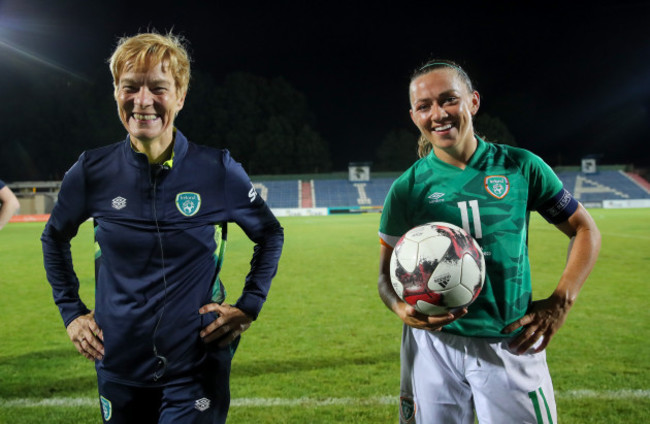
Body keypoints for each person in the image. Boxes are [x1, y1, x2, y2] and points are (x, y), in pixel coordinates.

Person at [41, 32, 284, 424]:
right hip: (117, 364)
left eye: (158, 88)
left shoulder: (217, 169)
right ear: (116, 93)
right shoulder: (91, 170)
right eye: (130, 87)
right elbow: (53, 237)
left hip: (195, 368)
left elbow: (270, 233)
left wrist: (249, 306)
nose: (143, 101)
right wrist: (72, 313)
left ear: (180, 96)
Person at [377, 59, 601, 424]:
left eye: (449, 99)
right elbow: (385, 279)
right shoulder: (407, 189)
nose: (438, 114)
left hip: (510, 342)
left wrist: (562, 300)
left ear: (473, 102)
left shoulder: (520, 167)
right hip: (432, 348)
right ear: (414, 115)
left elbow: (585, 229)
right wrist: (399, 308)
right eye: (424, 106)